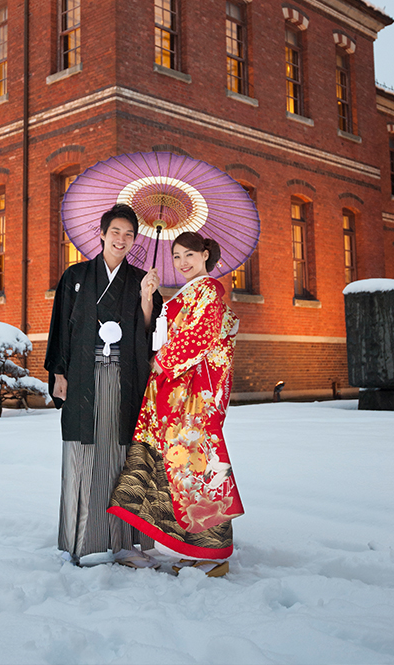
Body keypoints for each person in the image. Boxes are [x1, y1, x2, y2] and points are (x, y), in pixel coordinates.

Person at [108, 231, 244, 576]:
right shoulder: (185, 293)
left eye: (189, 255)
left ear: (205, 255)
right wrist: (149, 296)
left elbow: (199, 336)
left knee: (199, 466)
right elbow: (163, 329)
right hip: (174, 389)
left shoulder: (210, 290)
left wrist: (162, 361)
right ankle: (196, 547)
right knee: (179, 469)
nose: (183, 263)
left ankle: (215, 553)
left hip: (192, 394)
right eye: (177, 257)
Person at [45, 203, 162, 565]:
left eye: (129, 235)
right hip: (83, 375)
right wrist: (59, 373)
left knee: (121, 454)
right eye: (116, 232)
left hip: (124, 377)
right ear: (101, 233)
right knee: (84, 452)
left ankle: (124, 542)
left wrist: (146, 296)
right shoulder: (76, 275)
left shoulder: (140, 279)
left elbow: (146, 331)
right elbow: (62, 327)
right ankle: (83, 539)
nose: (122, 240)